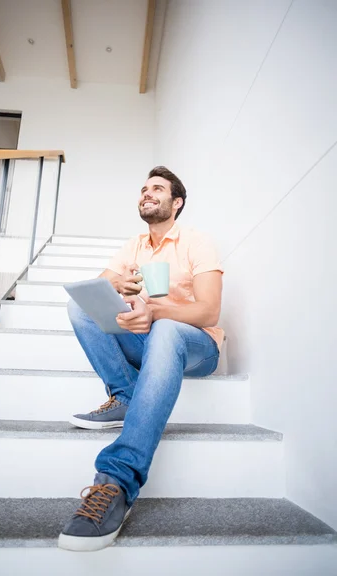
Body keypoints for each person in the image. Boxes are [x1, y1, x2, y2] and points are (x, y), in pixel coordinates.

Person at [58, 166, 224, 552]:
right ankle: (127, 394)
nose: (147, 193)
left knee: (165, 329)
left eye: (157, 188)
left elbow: (209, 312)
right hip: (149, 343)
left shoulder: (196, 242)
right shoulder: (133, 246)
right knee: (79, 308)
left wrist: (157, 313)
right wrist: (117, 285)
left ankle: (117, 479)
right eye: (144, 188)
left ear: (176, 202)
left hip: (197, 347)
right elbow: (96, 289)